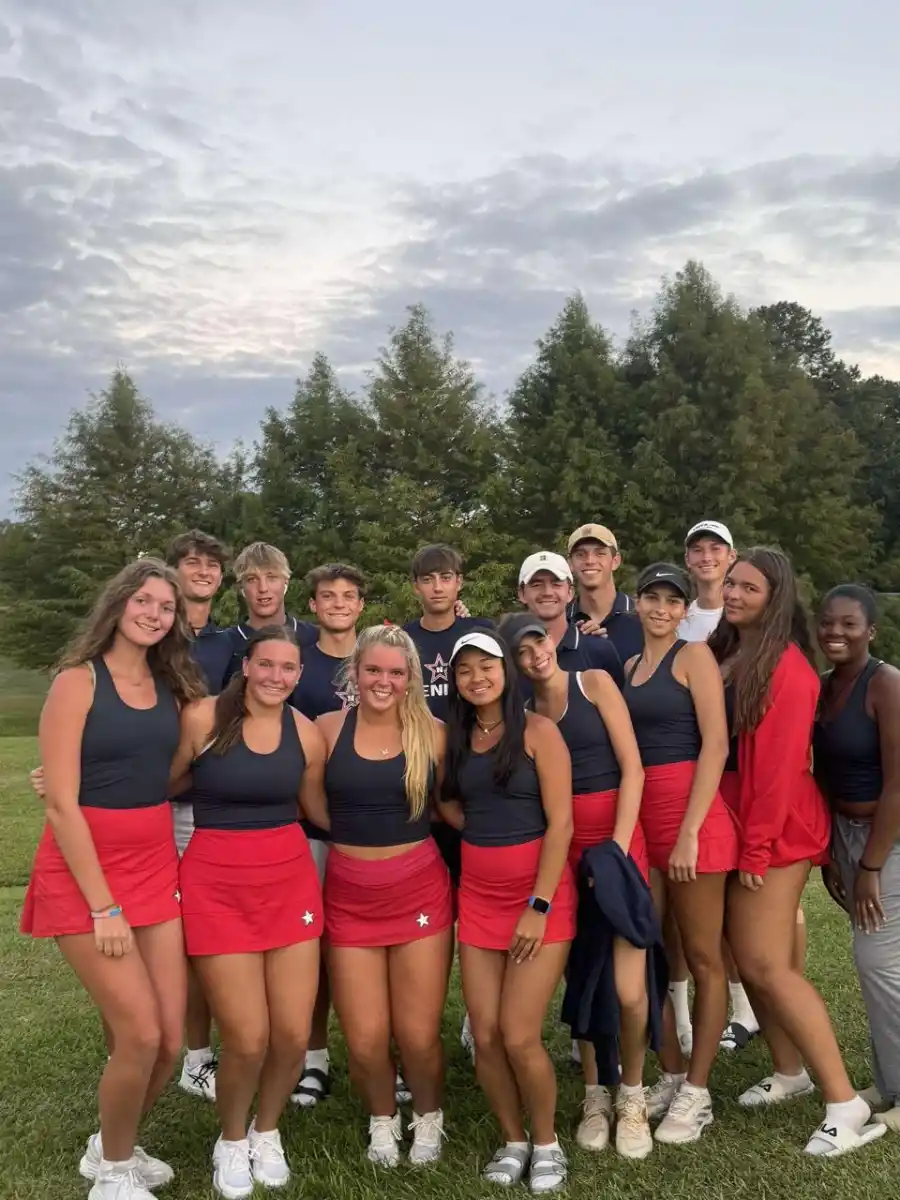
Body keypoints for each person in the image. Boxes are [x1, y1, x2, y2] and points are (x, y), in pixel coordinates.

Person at [20, 559, 206, 1200]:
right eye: (145, 601)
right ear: (119, 604)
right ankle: (116, 1175)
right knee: (140, 1033)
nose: (155, 614)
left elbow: (167, 773)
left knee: (173, 1038)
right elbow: (63, 804)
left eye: (166, 606)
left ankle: (108, 1144)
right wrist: (104, 907)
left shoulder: (170, 683)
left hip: (155, 867)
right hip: (85, 878)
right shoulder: (77, 682)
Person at [710, 548, 886, 1156]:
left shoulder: (787, 668)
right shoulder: (730, 650)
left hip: (775, 833)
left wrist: (756, 853)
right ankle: (790, 1070)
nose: (733, 592)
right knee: (743, 952)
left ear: (775, 596)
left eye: (748, 587)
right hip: (737, 829)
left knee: (766, 964)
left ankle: (846, 1105)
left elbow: (778, 774)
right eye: (730, 582)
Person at [171, 626, 325, 1198]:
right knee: (248, 1037)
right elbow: (158, 784)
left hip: (288, 882)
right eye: (266, 665)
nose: (276, 677)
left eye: (288, 669)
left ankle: (268, 1130)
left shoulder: (307, 736)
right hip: (216, 883)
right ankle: (231, 1139)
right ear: (247, 665)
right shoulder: (202, 719)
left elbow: (320, 810)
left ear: (298, 675)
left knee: (290, 1033)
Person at [498, 613, 653, 1159]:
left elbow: (633, 769)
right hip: (563, 858)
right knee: (583, 979)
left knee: (630, 991)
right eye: (521, 650)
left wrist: (616, 846)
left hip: (618, 848)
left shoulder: (594, 682)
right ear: (513, 663)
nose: (534, 654)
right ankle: (594, 1094)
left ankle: (631, 1093)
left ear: (552, 640)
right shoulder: (523, 716)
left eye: (538, 641)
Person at [304, 624, 453, 1168]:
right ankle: (382, 1122)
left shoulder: (433, 733)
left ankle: (429, 1119)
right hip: (348, 894)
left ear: (411, 677)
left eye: (395, 672)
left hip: (417, 890)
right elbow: (311, 802)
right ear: (355, 672)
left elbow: (448, 804)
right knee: (365, 1039)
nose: (383, 681)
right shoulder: (324, 729)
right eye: (373, 670)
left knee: (416, 1034)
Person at [440, 630, 576, 1193]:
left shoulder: (539, 732)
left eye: (487, 665)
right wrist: (478, 831)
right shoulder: (455, 737)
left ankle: (547, 1142)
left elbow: (562, 823)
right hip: (477, 899)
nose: (478, 676)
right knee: (488, 1035)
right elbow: (444, 797)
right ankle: (513, 1138)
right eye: (465, 669)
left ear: (505, 670)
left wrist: (537, 906)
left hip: (539, 900)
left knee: (520, 1034)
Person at [624, 563, 736, 1145]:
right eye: (652, 598)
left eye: (673, 599)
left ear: (684, 608)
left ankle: (697, 1090)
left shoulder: (694, 657)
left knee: (702, 954)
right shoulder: (629, 667)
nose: (662, 608)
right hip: (644, 819)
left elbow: (716, 744)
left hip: (694, 816)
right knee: (652, 950)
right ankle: (669, 1070)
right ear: (638, 604)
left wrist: (691, 830)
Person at [403, 543, 495, 1059]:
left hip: (477, 786)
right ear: (415, 586)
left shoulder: (479, 633)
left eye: (447, 577)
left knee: (477, 908)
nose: (438, 587)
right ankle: (422, 1017)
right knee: (430, 913)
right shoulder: (405, 640)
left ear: (460, 583)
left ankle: (475, 1015)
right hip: (419, 794)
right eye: (428, 579)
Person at [814, 585, 900, 1132]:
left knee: (879, 964)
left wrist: (870, 866)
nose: (835, 634)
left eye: (848, 625)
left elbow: (898, 784)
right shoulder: (824, 689)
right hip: (843, 834)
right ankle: (889, 1083)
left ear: (870, 631)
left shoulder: (886, 686)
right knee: (877, 965)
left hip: (885, 837)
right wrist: (828, 851)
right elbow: (819, 773)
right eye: (828, 624)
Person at [672, 520, 757, 1055]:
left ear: (731, 557)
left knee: (747, 907)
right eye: (696, 549)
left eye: (715, 548)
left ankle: (750, 1007)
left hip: (738, 772)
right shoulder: (678, 615)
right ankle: (685, 1015)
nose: (706, 557)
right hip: (687, 775)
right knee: (689, 914)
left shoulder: (748, 614)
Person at [287, 563, 365, 1109]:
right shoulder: (298, 661)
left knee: (370, 944)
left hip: (380, 828)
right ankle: (314, 1057)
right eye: (327, 596)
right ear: (312, 604)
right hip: (314, 824)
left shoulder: (384, 652)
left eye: (348, 595)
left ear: (361, 604)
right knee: (314, 944)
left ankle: (388, 1051)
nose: (338, 603)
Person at [164, 529, 233, 1103]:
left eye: (212, 565)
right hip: (150, 803)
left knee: (205, 932)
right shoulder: (147, 632)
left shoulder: (228, 642)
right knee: (165, 934)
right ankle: (184, 1052)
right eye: (193, 563)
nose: (203, 571)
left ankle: (201, 1053)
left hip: (205, 805)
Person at [518, 552, 623, 688]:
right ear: (521, 593)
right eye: (536, 584)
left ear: (570, 593)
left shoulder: (599, 649)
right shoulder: (508, 653)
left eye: (556, 584)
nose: (547, 592)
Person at [223, 543, 318, 684]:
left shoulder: (314, 638)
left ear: (285, 582)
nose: (263, 588)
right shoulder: (225, 644)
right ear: (241, 587)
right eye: (252, 579)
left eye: (271, 577)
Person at [565, 524, 643, 662]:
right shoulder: (564, 622)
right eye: (580, 554)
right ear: (570, 563)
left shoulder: (640, 616)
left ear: (615, 561)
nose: (589, 561)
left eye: (600, 553)